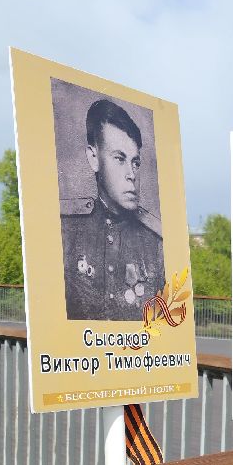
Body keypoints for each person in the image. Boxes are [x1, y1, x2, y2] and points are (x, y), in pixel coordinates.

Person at [61, 97, 165, 321]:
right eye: (119, 158)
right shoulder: (66, 229)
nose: (132, 174)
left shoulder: (156, 244)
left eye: (135, 162)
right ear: (94, 158)